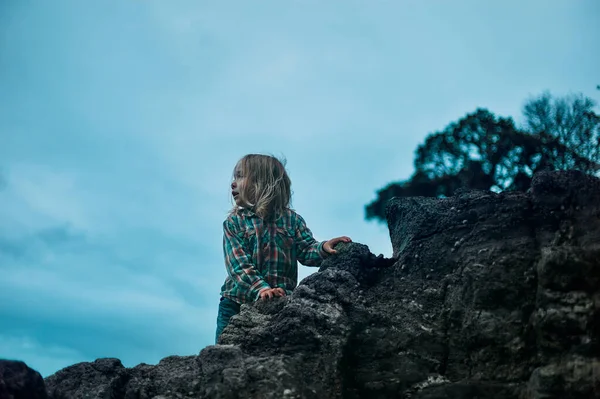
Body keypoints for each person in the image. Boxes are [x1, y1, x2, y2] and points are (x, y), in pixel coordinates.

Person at [215, 154, 351, 343]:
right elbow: (238, 265)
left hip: (279, 303)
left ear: (262, 182)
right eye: (234, 177)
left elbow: (306, 250)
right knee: (226, 351)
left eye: (240, 176)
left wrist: (323, 248)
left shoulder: (291, 221)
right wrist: (261, 289)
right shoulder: (234, 223)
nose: (233, 183)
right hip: (236, 303)